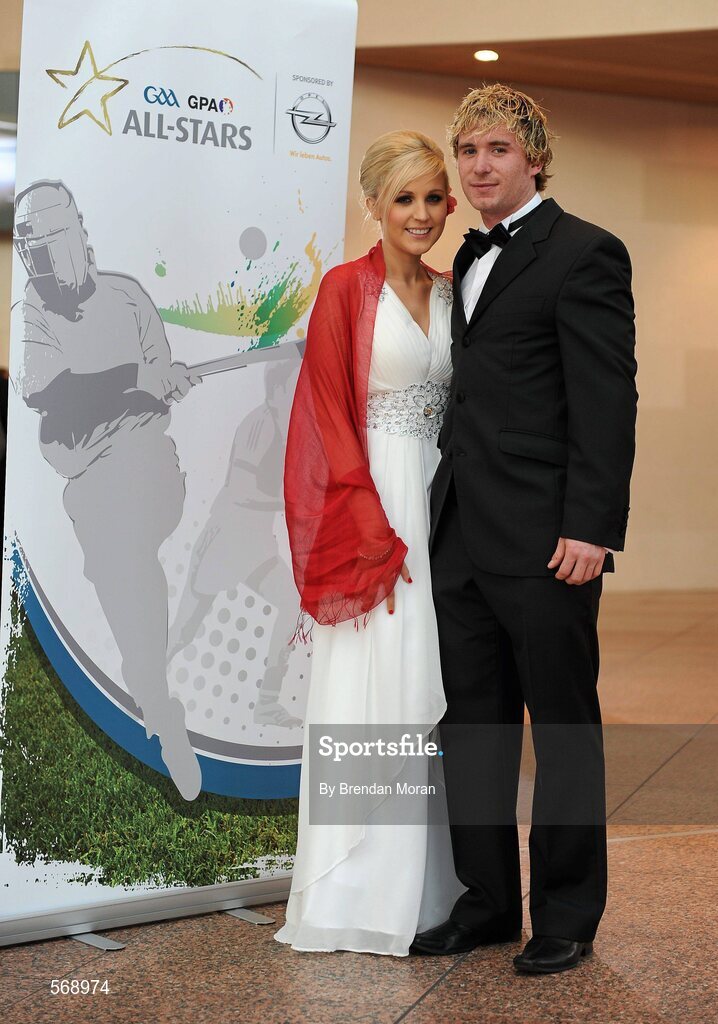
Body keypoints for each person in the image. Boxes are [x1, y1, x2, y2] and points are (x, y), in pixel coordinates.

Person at [410, 85, 638, 973]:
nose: (478, 167)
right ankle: (488, 902)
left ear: (535, 158)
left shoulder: (585, 252)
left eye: (497, 149)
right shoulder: (466, 254)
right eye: (467, 151)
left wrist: (592, 525)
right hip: (461, 529)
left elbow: (606, 401)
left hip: (548, 540)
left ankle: (569, 916)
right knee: (472, 724)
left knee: (565, 726)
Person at [275, 131, 465, 955]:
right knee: (372, 683)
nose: (421, 214)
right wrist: (370, 536)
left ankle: (429, 892)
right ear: (374, 206)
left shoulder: (458, 290)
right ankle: (357, 890)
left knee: (434, 683)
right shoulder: (344, 291)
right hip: (374, 510)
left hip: (447, 507)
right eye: (404, 199)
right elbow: (324, 419)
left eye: (433, 197)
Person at [12, 180, 202, 801]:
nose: (39, 263)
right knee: (116, 560)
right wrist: (137, 380)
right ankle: (152, 694)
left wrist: (161, 383)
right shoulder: (30, 314)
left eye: (48, 245)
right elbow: (51, 392)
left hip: (148, 462)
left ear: (75, 237)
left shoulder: (126, 296)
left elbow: (157, 377)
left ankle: (152, 693)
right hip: (87, 477)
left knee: (124, 547)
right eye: (28, 251)